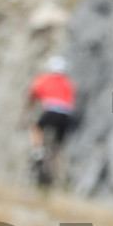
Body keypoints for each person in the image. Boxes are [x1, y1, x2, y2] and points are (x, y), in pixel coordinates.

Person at [27, 54, 79, 184]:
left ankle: (39, 152)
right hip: (66, 115)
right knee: (58, 144)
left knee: (36, 128)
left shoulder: (44, 79)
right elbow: (73, 99)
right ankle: (56, 169)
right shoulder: (69, 83)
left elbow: (32, 95)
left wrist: (27, 111)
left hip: (50, 111)